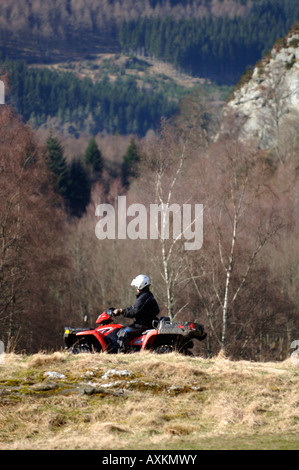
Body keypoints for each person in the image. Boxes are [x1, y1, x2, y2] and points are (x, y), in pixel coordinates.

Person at [113, 274, 160, 353]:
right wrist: (123, 310)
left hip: (143, 324)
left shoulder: (144, 297)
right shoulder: (146, 295)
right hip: (147, 322)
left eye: (136, 287)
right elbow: (134, 308)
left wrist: (121, 311)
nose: (136, 289)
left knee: (123, 332)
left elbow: (134, 311)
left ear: (140, 286)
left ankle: (121, 354)